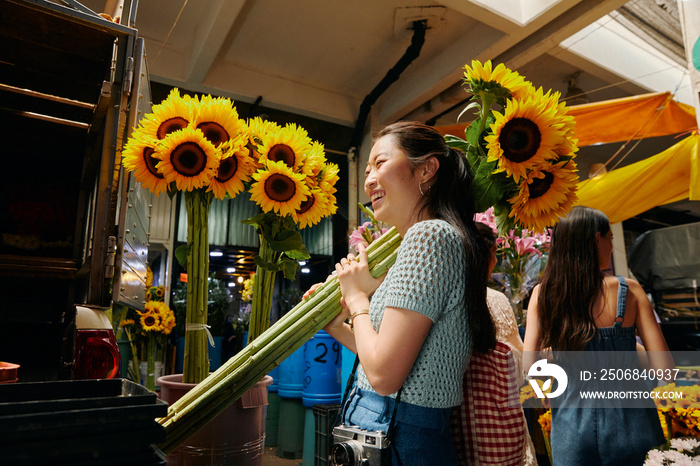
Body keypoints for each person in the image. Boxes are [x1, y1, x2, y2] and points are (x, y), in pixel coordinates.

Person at [306, 121, 496, 465]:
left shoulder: (430, 237)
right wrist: (338, 326)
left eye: (380, 163)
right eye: (366, 169)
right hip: (387, 423)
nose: (368, 179)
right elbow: (387, 357)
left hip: (399, 431)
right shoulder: (426, 239)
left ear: (427, 169)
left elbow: (383, 375)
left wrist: (357, 299)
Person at [523, 205, 674, 465]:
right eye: (610, 238)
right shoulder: (631, 291)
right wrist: (627, 350)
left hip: (571, 430)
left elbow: (530, 367)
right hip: (633, 424)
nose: (611, 246)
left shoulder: (544, 294)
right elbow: (665, 370)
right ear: (597, 239)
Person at [450, 222, 537, 465]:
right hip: (499, 439)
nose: (496, 263)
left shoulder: (444, 300)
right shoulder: (495, 301)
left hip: (454, 435)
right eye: (494, 255)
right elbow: (521, 372)